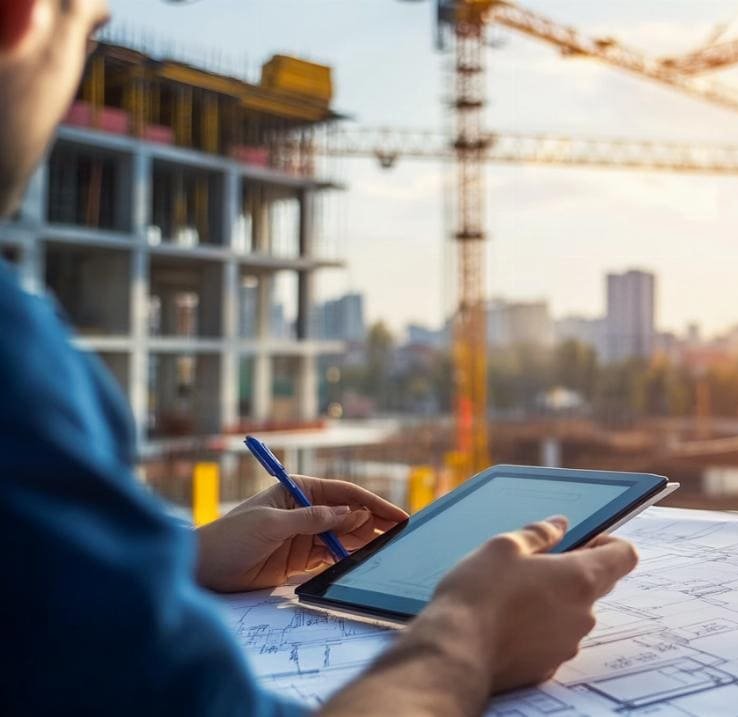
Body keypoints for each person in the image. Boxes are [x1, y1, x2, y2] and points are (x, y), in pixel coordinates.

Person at [0, 2, 639, 715]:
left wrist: (187, 556)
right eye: (90, 33)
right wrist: (468, 638)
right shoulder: (13, 365)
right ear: (20, 16)